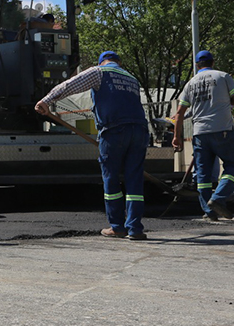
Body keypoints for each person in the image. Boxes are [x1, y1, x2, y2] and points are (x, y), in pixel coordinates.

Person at [35, 51, 149, 240]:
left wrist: (46, 101)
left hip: (114, 130)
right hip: (139, 131)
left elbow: (70, 84)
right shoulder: (132, 78)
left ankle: (117, 227)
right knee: (134, 180)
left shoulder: (99, 72)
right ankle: (135, 228)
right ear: (118, 62)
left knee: (111, 178)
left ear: (102, 61)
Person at [172, 50, 234, 221]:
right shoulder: (222, 76)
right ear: (213, 62)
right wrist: (228, 101)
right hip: (223, 130)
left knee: (203, 175)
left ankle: (209, 211)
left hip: (200, 134)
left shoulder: (190, 83)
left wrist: (177, 137)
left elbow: (180, 113)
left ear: (197, 65)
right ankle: (218, 199)